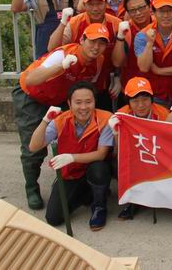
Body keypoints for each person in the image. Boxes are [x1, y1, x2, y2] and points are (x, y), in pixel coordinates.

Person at [14, 23, 109, 210]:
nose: (96, 47)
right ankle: (32, 187)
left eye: (101, 43)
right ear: (82, 40)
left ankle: (80, 184)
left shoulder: (98, 61)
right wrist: (60, 67)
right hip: (33, 96)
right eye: (92, 41)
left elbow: (90, 89)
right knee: (32, 145)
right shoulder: (62, 54)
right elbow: (30, 79)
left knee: (76, 138)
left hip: (61, 100)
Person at [28, 82, 113, 230]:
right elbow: (34, 146)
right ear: (69, 103)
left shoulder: (106, 118)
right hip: (70, 173)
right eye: (78, 102)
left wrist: (72, 157)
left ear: (95, 102)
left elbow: (101, 154)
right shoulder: (60, 120)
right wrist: (45, 120)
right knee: (54, 218)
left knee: (99, 169)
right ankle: (88, 194)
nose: (83, 107)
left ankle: (99, 207)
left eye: (88, 102)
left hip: (93, 168)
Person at [47, 0, 122, 108]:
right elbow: (52, 49)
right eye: (91, 4)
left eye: (99, 3)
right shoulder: (74, 23)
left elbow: (122, 59)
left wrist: (119, 78)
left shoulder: (116, 24)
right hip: (73, 84)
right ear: (84, 5)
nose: (95, 8)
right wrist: (63, 22)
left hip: (102, 84)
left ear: (105, 4)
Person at [109, 76, 168, 220]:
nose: (141, 105)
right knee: (115, 164)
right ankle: (132, 201)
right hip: (134, 159)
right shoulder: (121, 116)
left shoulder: (163, 114)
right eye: (135, 100)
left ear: (152, 99)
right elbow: (117, 153)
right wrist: (116, 133)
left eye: (145, 99)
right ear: (128, 102)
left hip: (160, 157)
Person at [113, 0, 153, 88]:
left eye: (142, 8)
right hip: (131, 88)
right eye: (133, 10)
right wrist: (120, 37)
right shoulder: (125, 30)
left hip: (157, 87)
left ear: (150, 7)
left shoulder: (160, 25)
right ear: (127, 12)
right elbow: (117, 62)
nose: (138, 13)